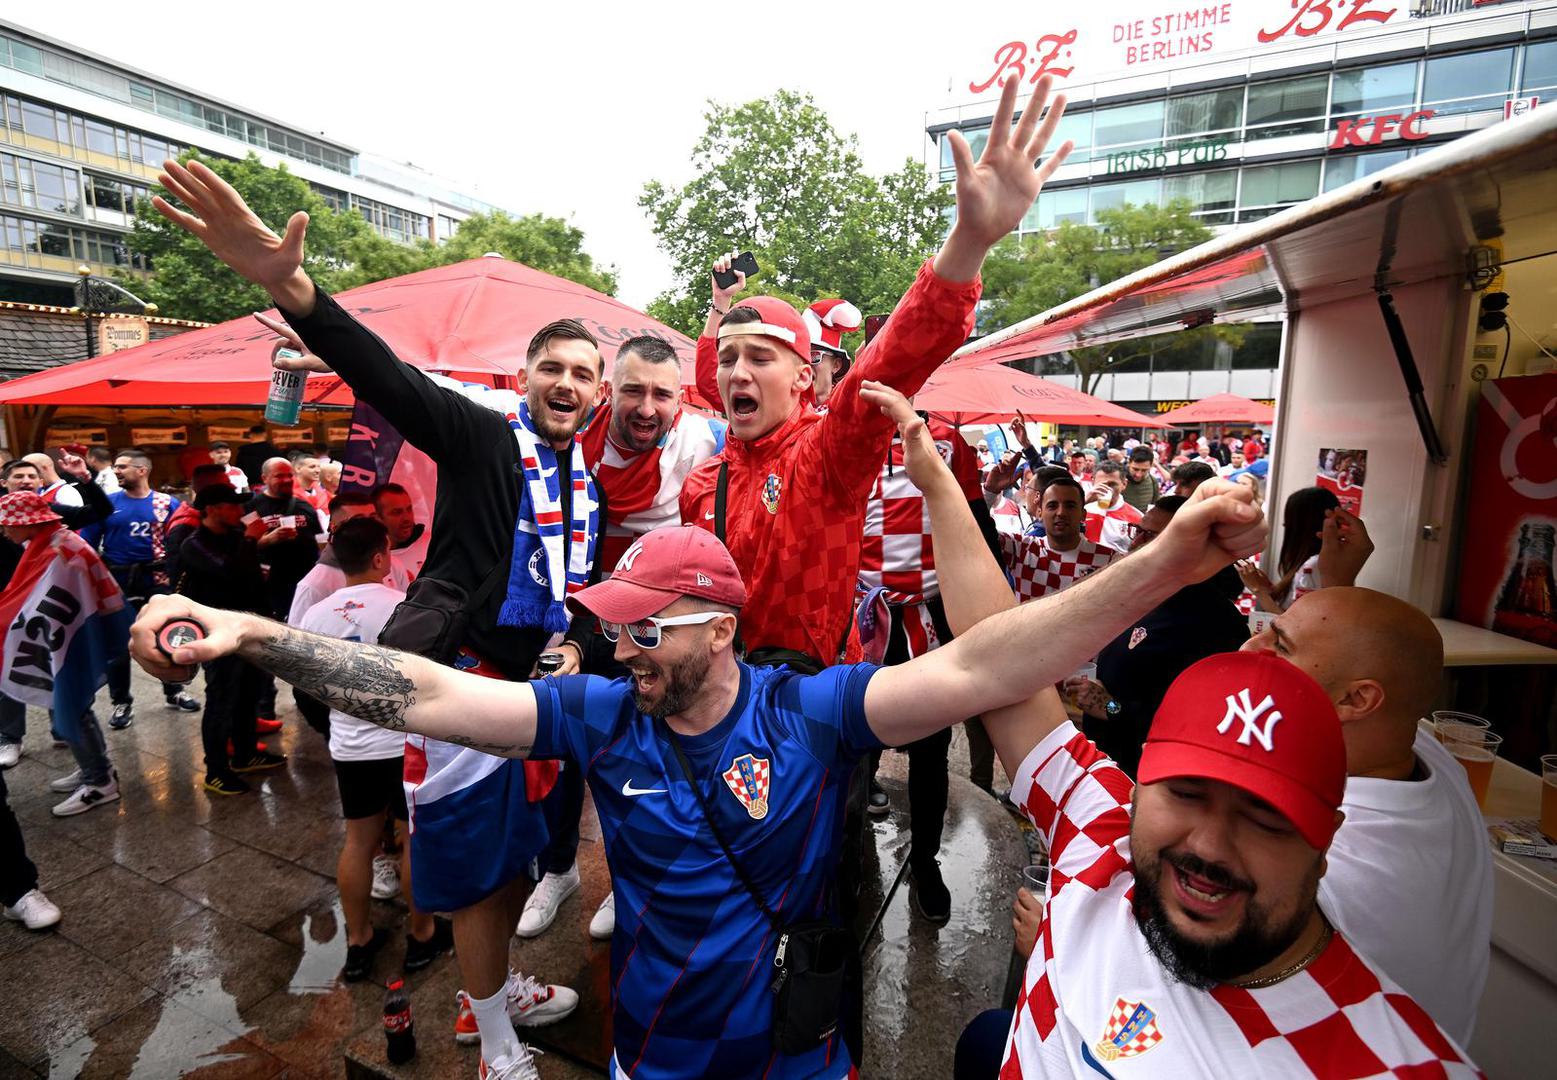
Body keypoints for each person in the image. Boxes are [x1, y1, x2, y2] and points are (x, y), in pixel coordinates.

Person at [124, 442, 1285, 1079]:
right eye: (611, 621)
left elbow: (985, 670)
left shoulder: (816, 709)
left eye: (642, 625)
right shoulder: (598, 712)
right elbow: (430, 692)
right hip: (659, 1057)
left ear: (718, 629)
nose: (615, 640)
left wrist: (1165, 566)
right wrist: (263, 638)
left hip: (798, 1049)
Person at [164, 150, 599, 1072]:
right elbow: (392, 381)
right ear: (525, 379)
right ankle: (494, 1037)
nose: (568, 383)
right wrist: (296, 293)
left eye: (583, 374)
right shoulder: (484, 436)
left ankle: (496, 991)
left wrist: (572, 642)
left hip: (537, 693)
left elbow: (577, 582)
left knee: (516, 864)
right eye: (552, 368)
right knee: (481, 881)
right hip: (461, 686)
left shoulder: (583, 479)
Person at [871, 425, 1477, 1079]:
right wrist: (935, 478)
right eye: (1186, 790)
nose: (1210, 845)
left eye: (1265, 816)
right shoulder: (1095, 837)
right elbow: (992, 655)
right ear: (1135, 781)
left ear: (1328, 835)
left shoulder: (1391, 1057)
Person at [680, 75, 1074, 673]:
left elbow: (885, 364)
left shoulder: (825, 451)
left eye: (762, 358)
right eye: (731, 358)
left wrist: (967, 241)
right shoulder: (701, 481)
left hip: (814, 712)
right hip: (715, 707)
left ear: (805, 378)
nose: (739, 373)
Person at [1244, 587, 1492, 1045]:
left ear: (1357, 701)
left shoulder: (1334, 875)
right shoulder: (1427, 756)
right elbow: (1369, 655)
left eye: (1279, 645)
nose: (1248, 648)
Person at [854, 405, 1004, 916]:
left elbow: (976, 521)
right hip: (863, 618)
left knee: (930, 748)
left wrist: (991, 612)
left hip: (928, 618)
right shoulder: (842, 431)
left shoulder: (948, 438)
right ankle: (845, 851)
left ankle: (924, 861)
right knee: (856, 742)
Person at [295, 516, 451, 981]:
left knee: (359, 843)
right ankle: (421, 934)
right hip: (402, 742)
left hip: (350, 745)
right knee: (410, 838)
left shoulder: (315, 615)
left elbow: (307, 686)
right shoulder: (402, 605)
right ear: (382, 556)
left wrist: (336, 722)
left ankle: (358, 940)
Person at [1065, 496, 1250, 777]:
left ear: (1192, 547)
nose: (1135, 542)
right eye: (1136, 530)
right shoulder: (1145, 596)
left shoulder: (1216, 624)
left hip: (1150, 779)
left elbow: (1201, 723)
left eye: (1150, 535)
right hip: (1105, 765)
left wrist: (1112, 708)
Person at [0, 491, 127, 818]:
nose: (4, 530)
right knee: (75, 706)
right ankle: (95, 767)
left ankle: (99, 781)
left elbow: (60, 602)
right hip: (68, 637)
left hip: (71, 640)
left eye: (8, 524)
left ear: (29, 522)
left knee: (72, 705)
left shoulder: (59, 551)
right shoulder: (53, 543)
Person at [176, 483, 287, 794]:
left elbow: (252, 579)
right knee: (222, 698)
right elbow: (231, 572)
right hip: (219, 633)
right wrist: (252, 539)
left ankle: (245, 753)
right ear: (212, 509)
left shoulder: (235, 538)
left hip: (248, 628)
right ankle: (216, 770)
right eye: (233, 506)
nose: (241, 511)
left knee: (248, 693)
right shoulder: (194, 544)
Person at [79, 449, 200, 729]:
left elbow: (181, 540)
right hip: (118, 580)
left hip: (158, 579)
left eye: (123, 467)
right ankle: (121, 701)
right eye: (116, 467)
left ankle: (175, 690)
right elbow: (86, 544)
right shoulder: (107, 505)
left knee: (168, 636)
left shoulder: (166, 502)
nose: (117, 471)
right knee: (119, 645)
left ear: (142, 470)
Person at [1237, 488, 1374, 612]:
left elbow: (1294, 627)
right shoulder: (1315, 564)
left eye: (1288, 524)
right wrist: (1268, 588)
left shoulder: (1315, 565)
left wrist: (1259, 590)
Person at [996, 474, 1117, 602]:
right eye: (1052, 506)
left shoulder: (1109, 559)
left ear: (1083, 515)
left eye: (1070, 506)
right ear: (1040, 513)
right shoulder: (1021, 548)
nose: (1061, 513)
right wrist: (990, 493)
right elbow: (981, 535)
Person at [1082, 461, 1142, 553]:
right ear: (1093, 481)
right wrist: (1083, 502)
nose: (1106, 489)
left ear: (1124, 484)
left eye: (1112, 484)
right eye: (1101, 484)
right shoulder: (1082, 508)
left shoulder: (1137, 518)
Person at [370, 483, 425, 584]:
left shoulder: (432, 544)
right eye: (397, 512)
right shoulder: (368, 559)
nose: (407, 518)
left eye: (409, 509)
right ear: (377, 518)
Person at [291, 452, 331, 523]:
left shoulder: (321, 491)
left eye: (319, 467)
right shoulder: (287, 493)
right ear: (298, 469)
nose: (318, 471)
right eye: (312, 467)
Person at [1122, 446, 1160, 512]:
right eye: (1135, 469)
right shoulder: (1118, 480)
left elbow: (1155, 507)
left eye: (1144, 470)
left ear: (1151, 466)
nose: (1138, 475)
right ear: (1129, 463)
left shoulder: (1153, 482)